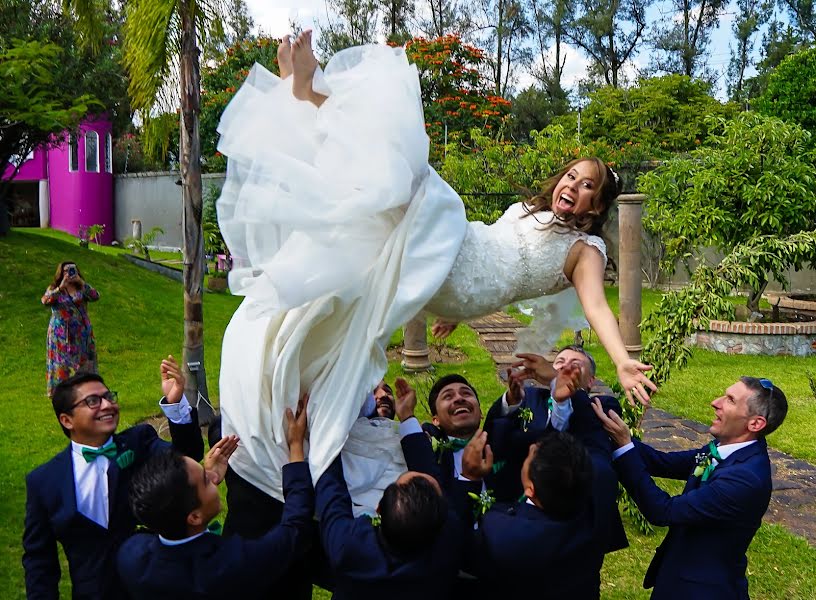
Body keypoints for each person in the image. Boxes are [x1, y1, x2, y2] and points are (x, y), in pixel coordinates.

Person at [215, 31, 657, 506]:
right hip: (458, 258)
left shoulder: (586, 249)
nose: (571, 185)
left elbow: (594, 306)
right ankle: (309, 102)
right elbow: (510, 266)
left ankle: (313, 95)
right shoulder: (540, 216)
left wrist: (620, 359)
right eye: (570, 175)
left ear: (598, 203)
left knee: (411, 174)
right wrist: (457, 309)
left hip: (457, 265)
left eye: (586, 184)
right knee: (370, 201)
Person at [22, 356, 205, 599]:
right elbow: (39, 562)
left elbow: (185, 457)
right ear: (67, 420)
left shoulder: (139, 443)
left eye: (109, 397)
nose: (107, 405)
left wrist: (175, 403)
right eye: (93, 401)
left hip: (152, 588)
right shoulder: (44, 482)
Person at [592, 377, 788, 599]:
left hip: (701, 589)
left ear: (755, 424)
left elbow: (662, 511)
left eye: (730, 400)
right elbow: (662, 462)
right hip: (678, 577)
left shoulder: (744, 479)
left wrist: (625, 445)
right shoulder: (726, 448)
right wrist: (611, 434)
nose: (716, 402)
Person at [117, 396, 313, 600]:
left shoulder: (132, 556)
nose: (213, 480)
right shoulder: (230, 564)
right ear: (194, 517)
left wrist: (206, 478)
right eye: (205, 481)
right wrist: (296, 447)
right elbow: (294, 530)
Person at [458, 431, 620, 599]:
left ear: (530, 488)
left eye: (528, 457)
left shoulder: (501, 536)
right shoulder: (601, 498)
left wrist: (469, 479)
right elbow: (598, 447)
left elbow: (456, 550)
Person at [42, 261, 99, 396]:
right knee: (61, 363)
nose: (69, 273)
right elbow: (45, 301)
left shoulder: (81, 287)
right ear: (61, 273)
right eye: (66, 270)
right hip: (60, 335)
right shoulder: (55, 288)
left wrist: (81, 282)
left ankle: (86, 392)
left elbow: (95, 296)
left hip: (81, 333)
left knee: (83, 361)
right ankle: (62, 394)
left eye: (72, 269)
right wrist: (60, 288)